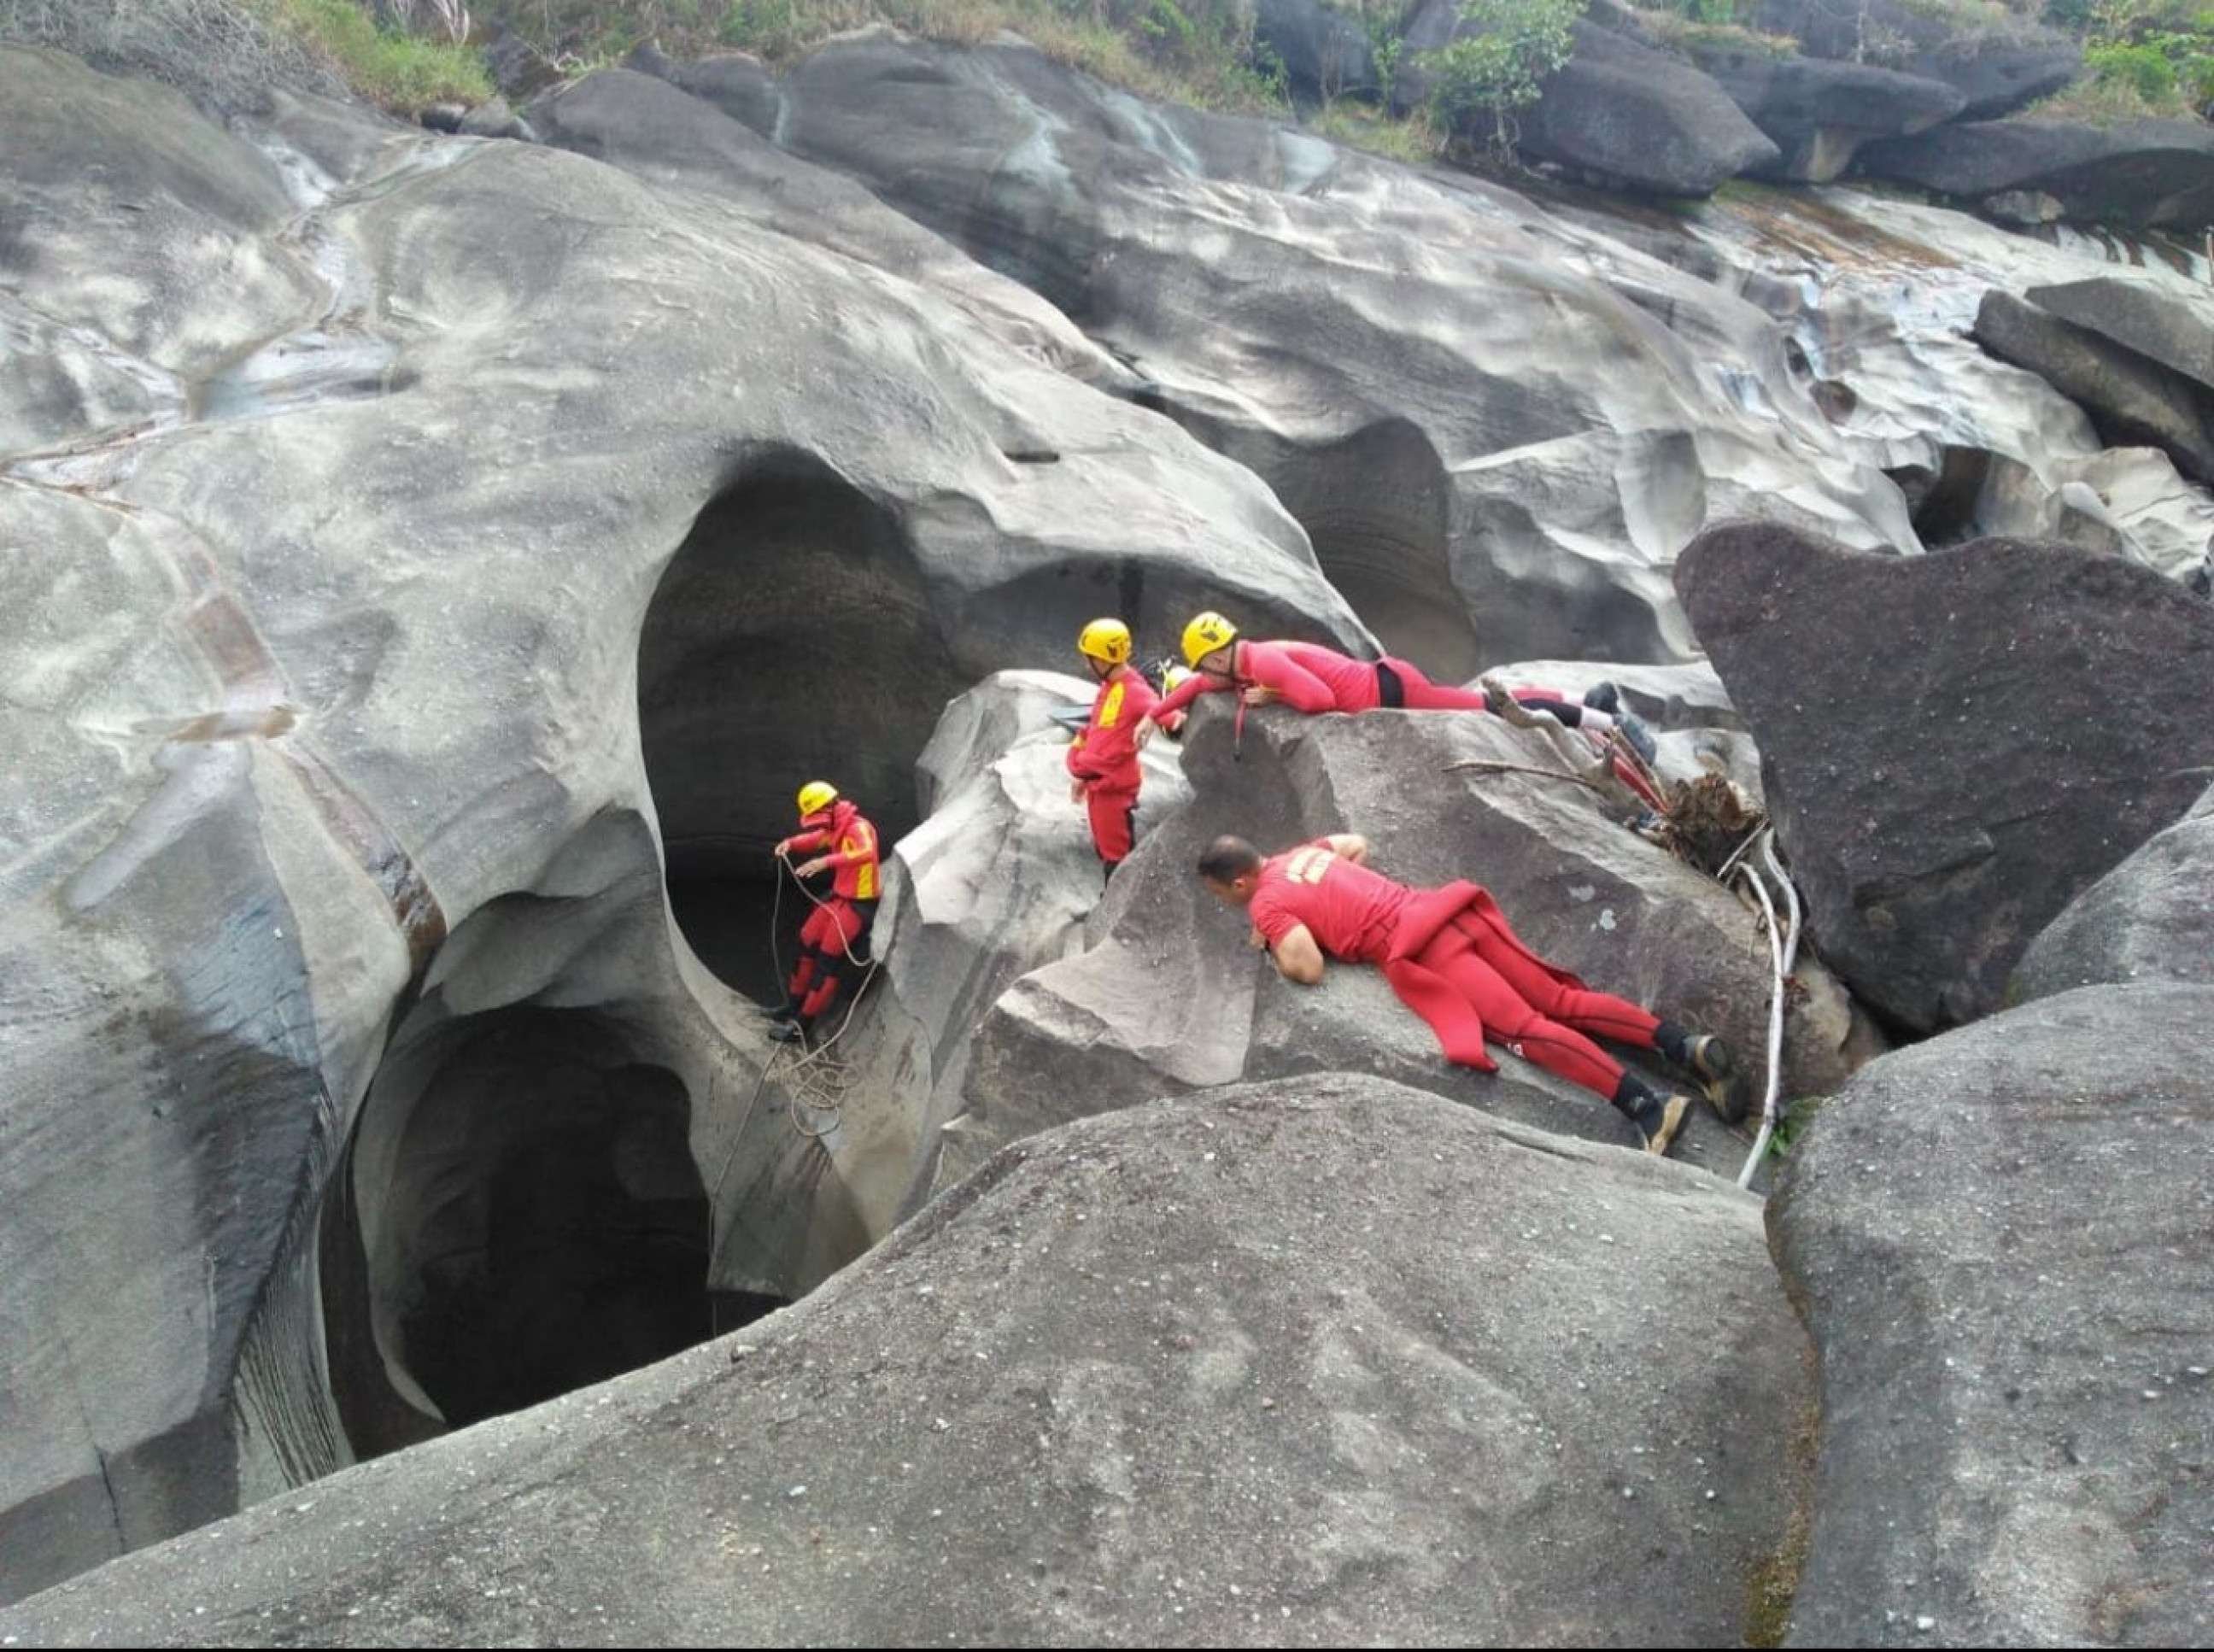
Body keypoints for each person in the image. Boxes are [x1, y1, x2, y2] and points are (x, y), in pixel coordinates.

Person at [1196, 831, 1748, 1156]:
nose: (1222, 900)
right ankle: (1683, 1045)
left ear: (1240, 883)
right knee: (1561, 1000)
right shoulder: (1302, 853)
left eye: (1219, 892)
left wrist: (1270, 938)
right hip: (1450, 911)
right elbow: (1356, 842)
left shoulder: (1264, 903)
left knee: (1525, 1029)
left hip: (1426, 947)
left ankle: (1648, 1108)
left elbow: (1308, 968)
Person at [1141, 612, 1657, 765]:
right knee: (1480, 701)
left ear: (1216, 653)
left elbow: (1318, 701)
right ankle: (1581, 703)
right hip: (1386, 683)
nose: (1206, 675)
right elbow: (1198, 688)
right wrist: (1151, 715)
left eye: (1204, 663)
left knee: (1490, 708)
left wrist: (1272, 697)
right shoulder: (1243, 658)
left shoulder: (1265, 665)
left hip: (1392, 692)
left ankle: (1609, 723)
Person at [1065, 618, 1177, 878]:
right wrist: (1083, 774)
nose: (1087, 664)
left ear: (1104, 660)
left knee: (1118, 857)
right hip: (1098, 784)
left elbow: (1168, 717)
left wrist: (1163, 719)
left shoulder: (1135, 691)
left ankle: (1118, 907)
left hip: (1113, 789)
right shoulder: (1110, 687)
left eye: (1090, 658)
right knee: (1106, 849)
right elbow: (1098, 729)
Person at [770, 781, 880, 1044]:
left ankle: (801, 1026)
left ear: (831, 806)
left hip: (857, 904)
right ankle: (793, 1005)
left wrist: (825, 862)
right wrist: (790, 843)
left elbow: (867, 852)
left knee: (826, 963)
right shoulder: (835, 827)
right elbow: (815, 839)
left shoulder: (858, 828)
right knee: (806, 942)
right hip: (838, 898)